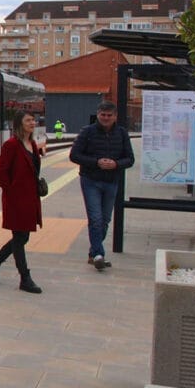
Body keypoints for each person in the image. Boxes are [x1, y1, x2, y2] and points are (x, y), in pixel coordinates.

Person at [69, 101, 135, 271]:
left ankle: (93, 253)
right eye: (103, 115)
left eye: (109, 115)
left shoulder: (121, 133)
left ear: (115, 117)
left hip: (112, 181)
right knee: (96, 218)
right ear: (98, 115)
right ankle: (99, 254)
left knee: (105, 220)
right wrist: (96, 162)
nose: (106, 118)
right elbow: (74, 155)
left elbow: (130, 159)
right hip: (91, 180)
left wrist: (116, 164)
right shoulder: (87, 132)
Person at [0, 110, 44, 294]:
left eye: (33, 120)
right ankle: (24, 278)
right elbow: (2, 171)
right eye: (28, 120)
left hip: (30, 197)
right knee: (20, 237)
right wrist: (10, 191)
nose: (32, 123)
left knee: (23, 236)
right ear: (19, 123)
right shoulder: (11, 145)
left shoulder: (32, 144)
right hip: (16, 198)